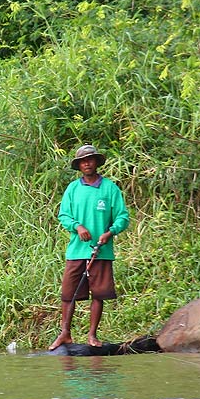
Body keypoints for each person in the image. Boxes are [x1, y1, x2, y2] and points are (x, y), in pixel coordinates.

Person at [49, 145, 129, 350]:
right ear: (79, 165)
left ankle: (92, 335)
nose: (87, 163)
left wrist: (110, 232)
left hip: (101, 251)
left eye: (90, 159)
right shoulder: (73, 189)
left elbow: (122, 217)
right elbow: (64, 215)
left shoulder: (110, 188)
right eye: (83, 161)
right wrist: (78, 227)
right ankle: (65, 334)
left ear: (96, 162)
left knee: (99, 294)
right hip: (76, 250)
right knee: (68, 294)